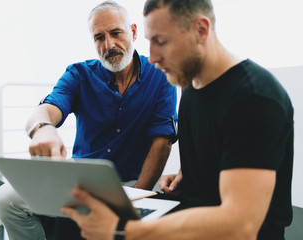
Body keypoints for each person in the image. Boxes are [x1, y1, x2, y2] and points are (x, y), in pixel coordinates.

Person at [61, 0, 294, 240]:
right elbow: (221, 151)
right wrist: (187, 175)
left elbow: (241, 225)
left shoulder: (254, 98)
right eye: (150, 42)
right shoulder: (192, 85)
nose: (151, 57)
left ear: (201, 30)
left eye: (161, 42)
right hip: (194, 221)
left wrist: (128, 230)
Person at [0, 1, 177, 239]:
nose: (109, 45)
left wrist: (136, 198)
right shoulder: (79, 74)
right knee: (5, 199)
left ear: (132, 31)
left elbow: (162, 142)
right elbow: (45, 111)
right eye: (99, 37)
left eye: (115, 33)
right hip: (82, 177)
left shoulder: (161, 75)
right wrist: (43, 129)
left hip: (136, 180)